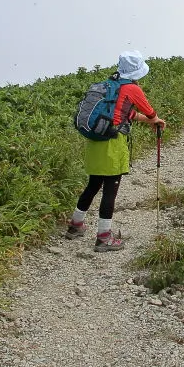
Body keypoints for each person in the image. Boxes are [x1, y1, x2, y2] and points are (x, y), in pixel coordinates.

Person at [66, 50, 167, 252]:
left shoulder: (110, 85)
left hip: (96, 141)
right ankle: (103, 238)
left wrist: (148, 120)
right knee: (110, 190)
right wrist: (155, 120)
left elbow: (126, 113)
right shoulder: (131, 88)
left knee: (93, 184)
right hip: (112, 143)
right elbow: (150, 111)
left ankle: (75, 226)